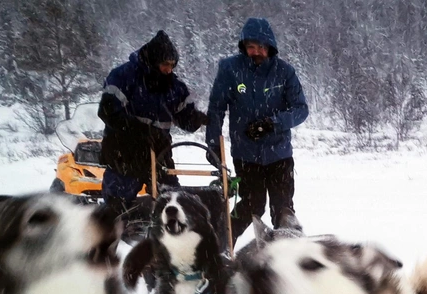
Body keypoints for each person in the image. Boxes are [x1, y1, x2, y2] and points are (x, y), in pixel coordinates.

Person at [205, 18, 308, 245]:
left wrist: (272, 123)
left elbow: (301, 109)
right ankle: (220, 245)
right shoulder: (230, 69)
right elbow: (216, 108)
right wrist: (213, 143)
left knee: (283, 210)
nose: (257, 52)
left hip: (279, 154)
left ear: (270, 47)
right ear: (244, 47)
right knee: (252, 206)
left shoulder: (284, 72)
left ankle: (289, 254)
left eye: (262, 47)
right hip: (246, 154)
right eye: (251, 47)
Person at [98, 30, 207, 221]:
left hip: (159, 152)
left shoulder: (174, 87)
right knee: (116, 207)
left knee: (171, 200)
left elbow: (185, 119)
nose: (169, 70)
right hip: (124, 152)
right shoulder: (124, 76)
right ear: (153, 61)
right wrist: (138, 130)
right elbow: (108, 111)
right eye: (165, 65)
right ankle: (108, 242)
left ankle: (167, 241)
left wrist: (201, 119)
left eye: (172, 65)